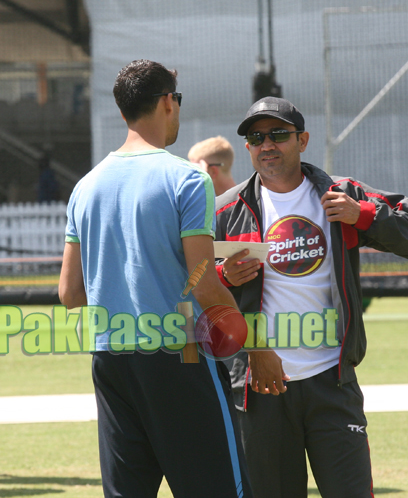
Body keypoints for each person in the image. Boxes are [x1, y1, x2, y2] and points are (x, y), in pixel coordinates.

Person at [214, 97, 408, 498]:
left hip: (331, 382)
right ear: (247, 148)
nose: (267, 145)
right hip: (259, 389)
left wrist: (361, 215)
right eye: (256, 137)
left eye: (279, 134)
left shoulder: (340, 194)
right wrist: (223, 275)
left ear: (303, 140)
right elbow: (190, 286)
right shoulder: (226, 212)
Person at [59, 59, 253, 498]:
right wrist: (247, 340)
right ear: (168, 102)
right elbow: (203, 282)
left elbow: (70, 293)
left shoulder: (85, 187)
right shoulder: (187, 179)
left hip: (110, 359)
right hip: (178, 358)